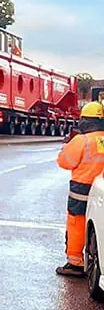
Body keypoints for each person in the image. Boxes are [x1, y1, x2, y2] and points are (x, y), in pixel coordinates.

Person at [55, 101, 104, 277]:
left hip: (82, 190)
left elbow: (64, 162)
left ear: (84, 120)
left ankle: (75, 263)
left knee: (77, 224)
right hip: (101, 189)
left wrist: (65, 147)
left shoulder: (82, 140)